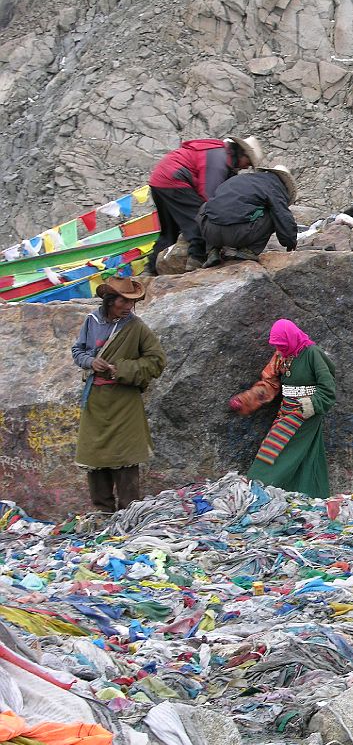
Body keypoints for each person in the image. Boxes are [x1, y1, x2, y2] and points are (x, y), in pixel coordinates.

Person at [71, 277, 166, 512]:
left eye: (131, 303)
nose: (128, 307)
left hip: (124, 401)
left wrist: (121, 369)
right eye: (124, 301)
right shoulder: (91, 321)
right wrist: (91, 362)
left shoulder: (136, 327)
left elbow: (157, 361)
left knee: (126, 457)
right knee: (95, 457)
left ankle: (128, 512)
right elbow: (78, 351)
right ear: (110, 300)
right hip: (95, 399)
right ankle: (103, 511)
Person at [229, 319, 336, 498]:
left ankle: (259, 484)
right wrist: (247, 399)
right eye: (277, 346)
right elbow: (269, 383)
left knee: (277, 446)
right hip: (287, 408)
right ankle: (306, 493)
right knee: (304, 452)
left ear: (291, 337)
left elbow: (328, 385)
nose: (280, 349)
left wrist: (312, 404)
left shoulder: (313, 354)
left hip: (306, 411)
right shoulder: (281, 356)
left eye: (283, 345)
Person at [144, 136, 264, 276]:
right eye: (248, 162)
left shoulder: (219, 153)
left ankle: (151, 269)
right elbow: (209, 196)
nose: (246, 167)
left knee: (170, 231)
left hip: (159, 180)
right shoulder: (219, 160)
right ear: (241, 153)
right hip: (175, 179)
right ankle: (196, 261)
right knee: (201, 221)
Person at [192, 165, 299, 272]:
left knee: (206, 207)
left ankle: (212, 250)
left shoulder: (241, 179)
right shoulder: (274, 186)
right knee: (273, 212)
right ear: (284, 183)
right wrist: (290, 242)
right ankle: (248, 251)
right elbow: (283, 217)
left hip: (210, 232)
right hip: (238, 234)